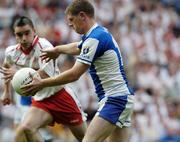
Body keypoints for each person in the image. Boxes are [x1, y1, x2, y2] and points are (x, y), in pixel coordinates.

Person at [22, 1, 134, 142]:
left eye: (71, 20)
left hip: (115, 99)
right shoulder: (98, 34)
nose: (69, 24)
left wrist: (42, 83)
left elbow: (74, 74)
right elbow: (78, 46)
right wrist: (57, 50)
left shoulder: (95, 38)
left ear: (82, 16)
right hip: (121, 97)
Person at [0, 16, 87, 142]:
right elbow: (6, 67)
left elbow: (46, 74)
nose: (24, 38)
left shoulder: (44, 46)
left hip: (60, 96)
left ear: (34, 31)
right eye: (19, 35)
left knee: (87, 138)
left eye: (27, 33)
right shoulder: (11, 52)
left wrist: (18, 73)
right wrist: (6, 91)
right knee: (27, 128)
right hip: (41, 100)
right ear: (15, 35)